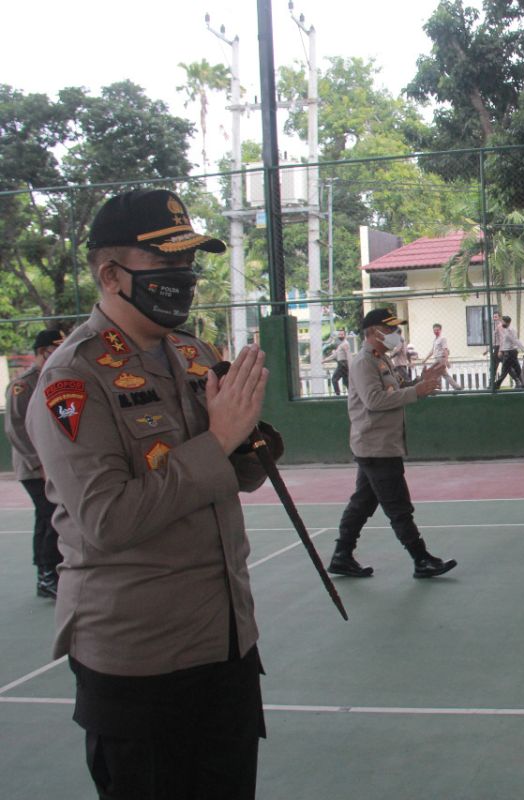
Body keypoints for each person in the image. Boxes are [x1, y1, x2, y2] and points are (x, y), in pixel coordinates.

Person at [28, 188, 279, 799]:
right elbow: (106, 519)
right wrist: (218, 442)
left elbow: (234, 477)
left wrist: (250, 441)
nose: (183, 280)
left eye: (188, 266)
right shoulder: (73, 377)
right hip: (140, 662)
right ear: (111, 275)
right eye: (166, 266)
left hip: (224, 645)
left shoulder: (192, 356)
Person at [327, 309, 458, 580]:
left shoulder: (381, 359)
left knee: (362, 502)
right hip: (376, 446)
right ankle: (421, 559)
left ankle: (341, 556)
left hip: (380, 444)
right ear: (374, 332)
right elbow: (374, 401)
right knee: (398, 506)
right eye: (390, 330)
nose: (395, 335)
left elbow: (398, 390)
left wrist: (422, 380)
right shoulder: (364, 362)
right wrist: (416, 391)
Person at [5, 327, 65, 597]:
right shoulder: (24, 384)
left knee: (50, 516)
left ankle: (50, 573)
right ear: (43, 352)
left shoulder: (54, 376)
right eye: (55, 347)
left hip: (52, 464)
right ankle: (46, 575)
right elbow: (15, 428)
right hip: (33, 469)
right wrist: (38, 463)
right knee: (49, 515)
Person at [422, 323, 462, 390]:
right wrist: (425, 359)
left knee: (438, 373)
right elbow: (432, 351)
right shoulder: (435, 340)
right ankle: (440, 387)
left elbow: (445, 350)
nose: (436, 331)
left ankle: (456, 387)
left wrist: (446, 361)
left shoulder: (442, 339)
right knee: (439, 374)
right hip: (436, 359)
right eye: (434, 330)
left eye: (437, 330)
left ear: (440, 330)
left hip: (440, 359)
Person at [493, 315, 523, 389]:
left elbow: (515, 341)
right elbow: (504, 342)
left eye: (503, 321)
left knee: (505, 370)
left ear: (507, 322)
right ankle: (522, 382)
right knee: (516, 369)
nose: (501, 323)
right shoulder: (506, 330)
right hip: (508, 352)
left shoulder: (510, 330)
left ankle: (496, 385)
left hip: (510, 352)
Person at [331, 330, 351, 395]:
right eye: (339, 334)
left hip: (343, 364)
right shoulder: (341, 344)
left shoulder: (345, 344)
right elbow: (335, 355)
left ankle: (338, 395)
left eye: (342, 334)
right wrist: (324, 361)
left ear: (345, 335)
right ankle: (352, 394)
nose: (340, 336)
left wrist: (350, 366)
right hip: (342, 364)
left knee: (334, 379)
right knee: (346, 381)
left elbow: (348, 355)